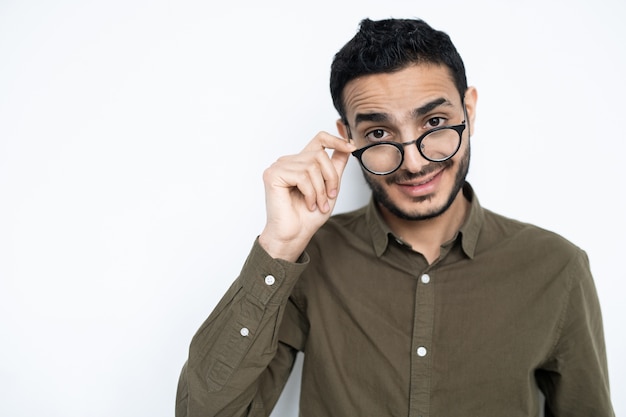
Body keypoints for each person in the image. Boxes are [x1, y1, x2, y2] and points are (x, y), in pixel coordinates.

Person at [176, 18, 614, 417]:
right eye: (379, 133)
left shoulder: (557, 268)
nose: (413, 162)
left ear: (470, 111)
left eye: (435, 121)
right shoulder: (310, 261)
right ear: (347, 138)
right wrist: (278, 247)